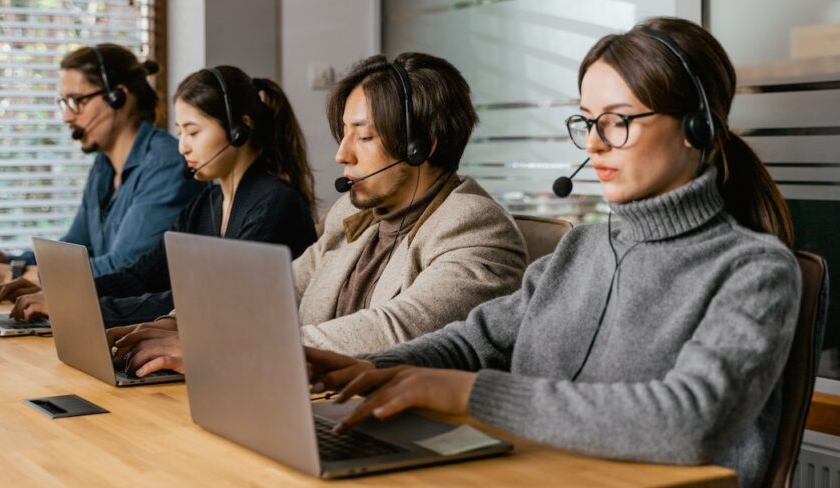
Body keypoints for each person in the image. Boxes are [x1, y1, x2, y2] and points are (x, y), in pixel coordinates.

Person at [305, 18, 800, 488]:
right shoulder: (581, 249)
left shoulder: (754, 270)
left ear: (697, 128)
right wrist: (375, 367)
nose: (593, 144)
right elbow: (474, 342)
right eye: (586, 121)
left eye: (617, 122)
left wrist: (467, 394)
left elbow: (690, 422)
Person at [107, 52, 528, 372]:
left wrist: (216, 348)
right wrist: (183, 324)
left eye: (363, 137)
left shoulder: (475, 228)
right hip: (314, 403)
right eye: (343, 134)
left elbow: (397, 331)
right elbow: (278, 288)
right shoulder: (357, 216)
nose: (341, 153)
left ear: (421, 147)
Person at [0, 66, 319, 326]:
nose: (182, 146)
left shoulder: (274, 205)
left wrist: (82, 306)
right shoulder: (205, 205)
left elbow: (209, 301)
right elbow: (142, 274)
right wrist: (63, 291)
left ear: (239, 129)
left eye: (193, 132)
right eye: (180, 132)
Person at [0, 44, 204, 284]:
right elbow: (75, 249)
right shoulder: (103, 166)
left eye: (78, 101)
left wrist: (12, 275)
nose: (67, 116)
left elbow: (121, 267)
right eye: (64, 102)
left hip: (138, 317)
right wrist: (12, 262)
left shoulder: (166, 165)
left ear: (118, 97)